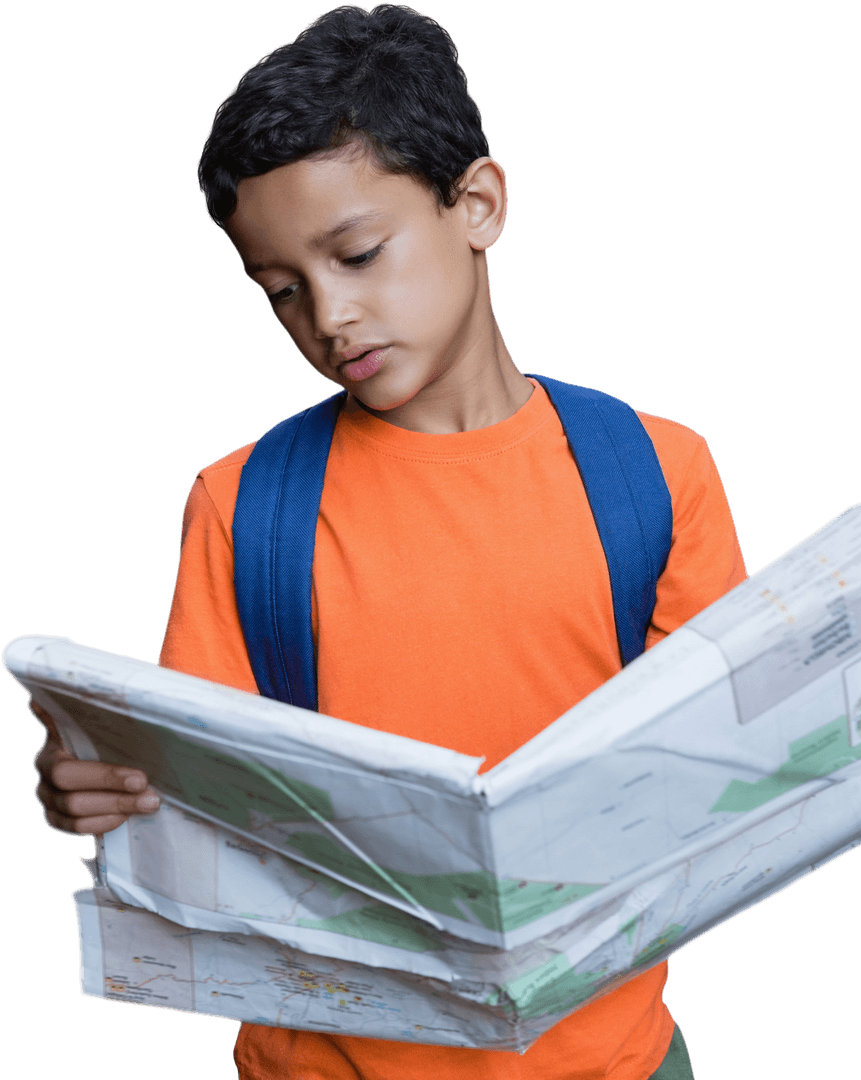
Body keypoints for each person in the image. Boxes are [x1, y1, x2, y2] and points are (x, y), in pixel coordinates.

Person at [30, 5, 746, 1078]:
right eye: (282, 293)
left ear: (478, 205)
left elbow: (733, 788)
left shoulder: (655, 474)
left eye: (358, 255)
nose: (330, 317)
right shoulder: (245, 508)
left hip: (615, 1063)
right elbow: (190, 811)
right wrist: (92, 791)